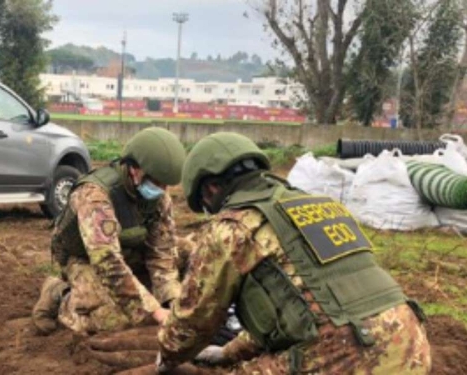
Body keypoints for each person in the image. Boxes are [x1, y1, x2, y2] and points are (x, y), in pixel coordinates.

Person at [147, 132, 431, 374]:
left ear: (211, 188)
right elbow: (300, 309)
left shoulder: (232, 227)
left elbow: (194, 318)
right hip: (411, 348)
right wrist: (229, 352)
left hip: (347, 358)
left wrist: (168, 355)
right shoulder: (325, 207)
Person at [31, 127, 187, 336]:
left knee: (193, 251)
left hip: (128, 250)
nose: (162, 191)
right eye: (156, 183)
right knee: (112, 321)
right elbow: (107, 261)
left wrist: (173, 300)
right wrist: (155, 311)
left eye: (166, 185)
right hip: (84, 258)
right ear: (134, 169)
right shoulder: (95, 196)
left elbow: (162, 253)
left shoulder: (158, 199)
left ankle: (143, 291)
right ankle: (61, 295)